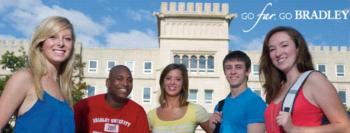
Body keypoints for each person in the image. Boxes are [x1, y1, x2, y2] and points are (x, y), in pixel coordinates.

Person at [260, 26, 350, 133]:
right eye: (272, 49)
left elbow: (345, 127)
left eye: (284, 45)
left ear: (298, 48)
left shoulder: (314, 79)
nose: (278, 53)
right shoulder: (277, 88)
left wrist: (295, 129)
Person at [0, 16, 75, 132]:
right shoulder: (25, 78)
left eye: (67, 39)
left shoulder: (65, 90)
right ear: (41, 43)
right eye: (52, 37)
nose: (61, 43)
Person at [74, 65, 150, 133]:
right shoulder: (84, 106)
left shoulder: (137, 112)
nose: (125, 84)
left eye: (129, 80)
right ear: (108, 83)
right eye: (119, 79)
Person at [209, 50, 266, 133]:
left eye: (238, 67)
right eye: (228, 68)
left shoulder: (255, 103)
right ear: (225, 72)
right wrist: (212, 129)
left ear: (247, 71)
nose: (233, 72)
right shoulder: (220, 106)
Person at [148, 63, 210, 133]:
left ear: (183, 83)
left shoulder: (197, 111)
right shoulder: (151, 116)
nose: (172, 82)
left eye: (178, 79)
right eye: (168, 78)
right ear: (162, 82)